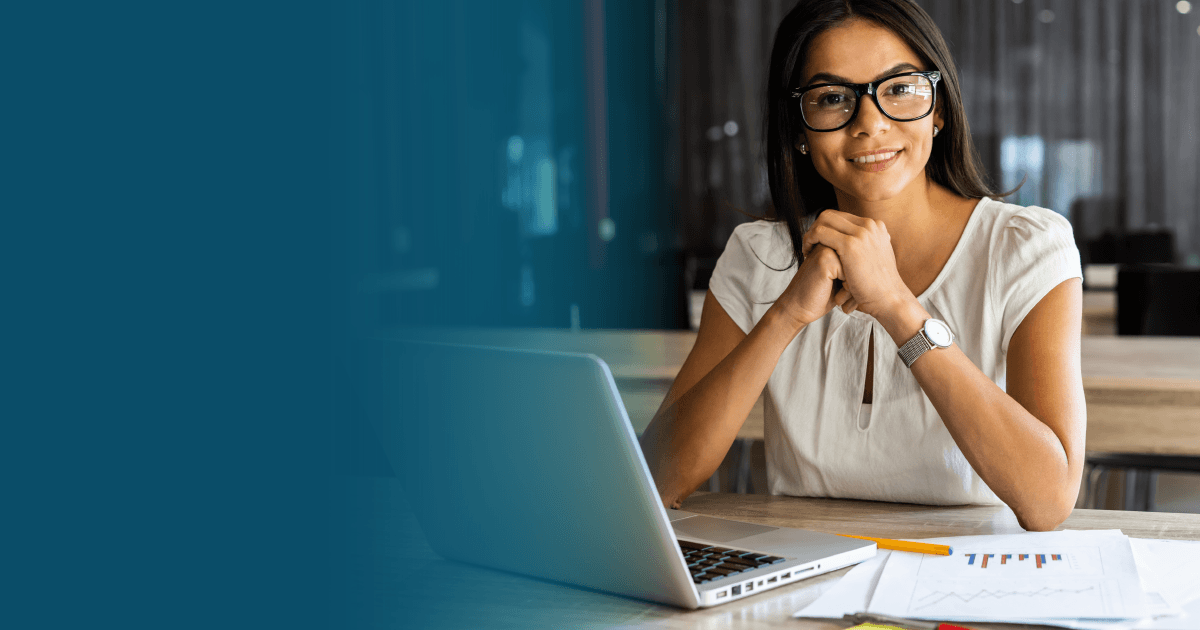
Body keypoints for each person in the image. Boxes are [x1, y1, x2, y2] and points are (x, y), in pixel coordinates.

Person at [639, 0, 1084, 531]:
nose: (869, 124)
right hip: (801, 579)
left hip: (965, 581)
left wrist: (899, 308)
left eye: (898, 88)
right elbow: (659, 477)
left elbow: (1049, 500)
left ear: (938, 109)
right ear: (799, 130)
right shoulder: (757, 254)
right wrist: (784, 316)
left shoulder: (1026, 248)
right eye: (832, 98)